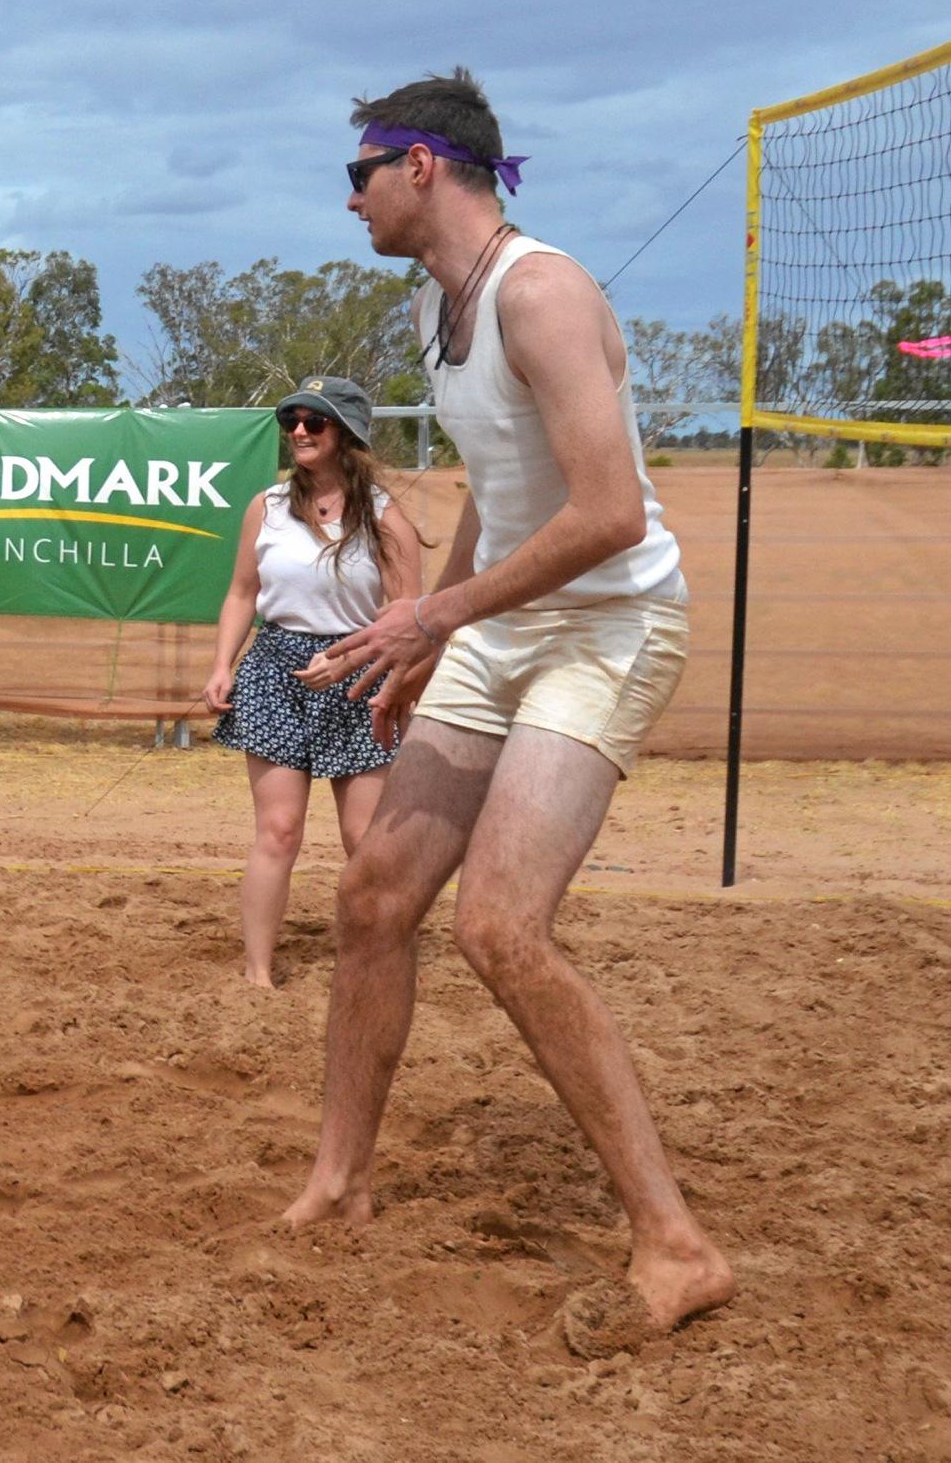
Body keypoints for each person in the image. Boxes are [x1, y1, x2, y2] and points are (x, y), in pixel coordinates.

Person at [280, 69, 735, 1330]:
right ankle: (341, 1181)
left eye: (358, 173)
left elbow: (609, 514)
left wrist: (432, 613)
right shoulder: (446, 310)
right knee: (373, 895)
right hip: (504, 626)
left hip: (610, 624)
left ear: (422, 165)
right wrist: (440, 643)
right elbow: (501, 490)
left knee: (501, 928)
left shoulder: (542, 292)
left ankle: (676, 1242)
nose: (350, 198)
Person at [204, 376, 421, 988]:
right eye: (291, 419)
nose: (298, 430)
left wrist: (349, 662)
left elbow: (407, 621)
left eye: (314, 421)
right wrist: (223, 664)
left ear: (346, 433)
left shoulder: (386, 519)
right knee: (278, 830)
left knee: (364, 838)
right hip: (276, 672)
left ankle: (380, 968)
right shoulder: (266, 508)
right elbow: (242, 592)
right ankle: (258, 974)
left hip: (364, 677)